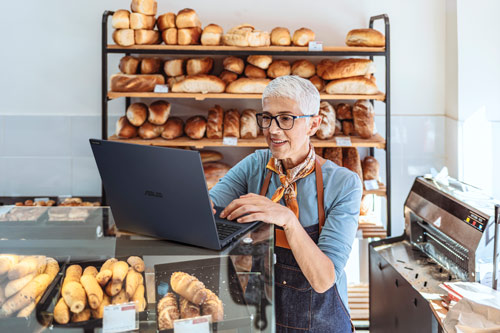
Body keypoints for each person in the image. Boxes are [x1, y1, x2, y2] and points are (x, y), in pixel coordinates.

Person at [209, 75, 362, 332]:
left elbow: (324, 280)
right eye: (267, 117)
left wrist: (288, 219)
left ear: (314, 124)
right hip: (261, 321)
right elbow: (209, 209)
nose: (273, 129)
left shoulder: (344, 184)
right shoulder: (255, 165)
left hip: (321, 324)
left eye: (286, 118)